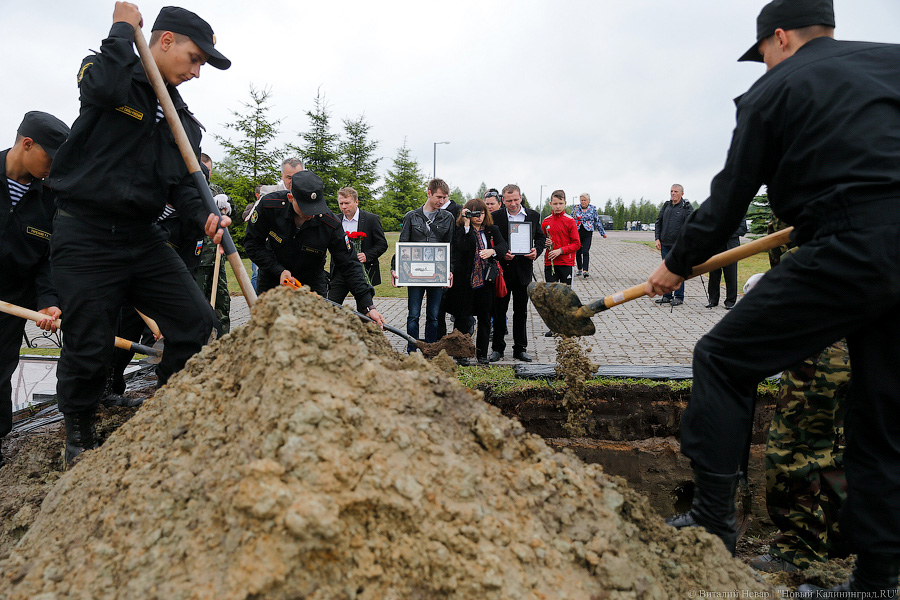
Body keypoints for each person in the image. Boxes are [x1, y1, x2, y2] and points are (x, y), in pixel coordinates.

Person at [644, 0, 900, 594]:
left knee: (723, 359)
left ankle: (713, 520)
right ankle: (879, 579)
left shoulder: (775, 89)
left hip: (851, 245)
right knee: (882, 412)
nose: (762, 66)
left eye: (761, 54)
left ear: (779, 38)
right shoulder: (891, 64)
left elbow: (730, 197)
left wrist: (676, 263)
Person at [47, 3, 232, 464]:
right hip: (85, 232)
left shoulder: (181, 120)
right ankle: (79, 432)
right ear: (164, 41)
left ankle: (166, 409)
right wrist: (122, 28)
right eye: (194, 59)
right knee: (89, 342)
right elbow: (99, 89)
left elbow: (185, 184)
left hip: (141, 237)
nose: (197, 71)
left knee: (196, 322)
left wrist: (205, 216)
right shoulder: (110, 70)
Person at [0, 112, 69, 468]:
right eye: (51, 157)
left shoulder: (49, 198)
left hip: (13, 298)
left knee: (0, 368)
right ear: (27, 144)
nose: (54, 167)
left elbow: (47, 259)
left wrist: (48, 303)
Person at [244, 170, 385, 326]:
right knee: (268, 330)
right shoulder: (270, 206)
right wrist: (278, 270)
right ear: (291, 198)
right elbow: (252, 243)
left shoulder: (330, 223)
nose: (312, 214)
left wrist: (368, 306)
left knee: (313, 334)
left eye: (316, 207)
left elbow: (349, 263)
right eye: (306, 208)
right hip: (272, 278)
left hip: (311, 282)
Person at [391, 179, 456, 353]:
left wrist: (449, 271)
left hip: (436, 273)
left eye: (445, 198)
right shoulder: (412, 216)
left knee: (434, 316)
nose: (441, 201)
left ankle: (430, 349)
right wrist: (394, 268)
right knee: (413, 315)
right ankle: (412, 348)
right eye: (438, 197)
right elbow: (402, 245)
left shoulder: (448, 217)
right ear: (428, 193)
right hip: (414, 273)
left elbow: (450, 247)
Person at [445, 199, 507, 364]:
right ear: (467, 214)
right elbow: (461, 247)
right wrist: (466, 225)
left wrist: (492, 251)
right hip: (465, 281)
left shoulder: (492, 230)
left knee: (485, 318)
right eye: (475, 213)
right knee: (462, 318)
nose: (479, 217)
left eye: (482, 213)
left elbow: (503, 247)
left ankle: (482, 354)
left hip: (486, 281)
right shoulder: (461, 230)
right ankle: (461, 354)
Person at [489, 183, 545, 363]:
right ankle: (497, 349)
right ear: (502, 200)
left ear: (520, 198)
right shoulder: (495, 217)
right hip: (502, 273)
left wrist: (536, 251)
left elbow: (540, 237)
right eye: (508, 200)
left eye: (515, 199)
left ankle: (520, 349)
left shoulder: (533, 215)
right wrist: (499, 252)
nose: (512, 203)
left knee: (521, 312)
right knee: (499, 312)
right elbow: (489, 240)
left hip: (523, 271)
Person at [327, 186, 387, 304]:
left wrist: (366, 255)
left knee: (365, 311)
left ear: (356, 202)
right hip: (339, 272)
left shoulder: (371, 219)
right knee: (330, 307)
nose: (343, 207)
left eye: (347, 203)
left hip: (362, 272)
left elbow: (382, 244)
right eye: (341, 203)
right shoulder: (335, 220)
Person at [195, 154, 233, 332]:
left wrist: (228, 205)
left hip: (217, 256)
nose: (207, 174)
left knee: (222, 302)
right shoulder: (192, 190)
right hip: (198, 260)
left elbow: (231, 211)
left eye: (209, 170)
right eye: (204, 170)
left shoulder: (216, 190)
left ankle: (223, 342)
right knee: (198, 303)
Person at [542, 190, 581, 336]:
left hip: (566, 262)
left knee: (565, 295)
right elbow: (542, 241)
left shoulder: (570, 221)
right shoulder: (546, 221)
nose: (557, 206)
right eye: (555, 203)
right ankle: (554, 327)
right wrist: (546, 243)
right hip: (550, 262)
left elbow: (577, 244)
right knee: (552, 295)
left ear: (565, 203)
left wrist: (561, 250)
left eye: (560, 203)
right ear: (550, 203)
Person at [653, 184, 693, 306]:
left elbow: (691, 224)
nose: (673, 193)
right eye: (671, 191)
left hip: (679, 245)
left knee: (678, 271)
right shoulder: (666, 205)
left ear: (682, 193)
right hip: (665, 243)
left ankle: (679, 296)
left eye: (676, 191)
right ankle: (667, 295)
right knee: (666, 270)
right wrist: (657, 238)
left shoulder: (686, 207)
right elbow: (658, 222)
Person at [705, 220, 748, 309]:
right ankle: (713, 300)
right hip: (715, 248)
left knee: (731, 276)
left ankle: (730, 302)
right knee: (713, 275)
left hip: (731, 248)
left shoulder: (739, 211)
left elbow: (742, 230)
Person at [571, 192, 606, 278]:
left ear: (589, 201)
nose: (583, 202)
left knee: (585, 251)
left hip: (588, 232)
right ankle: (579, 269)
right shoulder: (576, 208)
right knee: (578, 251)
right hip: (577, 232)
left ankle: (585, 270)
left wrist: (602, 233)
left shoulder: (592, 209)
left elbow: (597, 221)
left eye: (585, 200)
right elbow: (571, 219)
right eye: (581, 200)